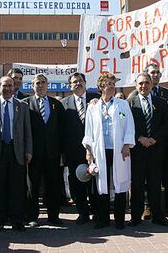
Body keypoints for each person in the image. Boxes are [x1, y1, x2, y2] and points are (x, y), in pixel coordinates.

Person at [83, 73, 135, 230]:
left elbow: (129, 125)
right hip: (100, 151)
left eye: (113, 83)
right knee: (102, 185)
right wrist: (89, 151)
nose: (111, 86)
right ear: (100, 87)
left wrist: (127, 144)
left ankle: (119, 220)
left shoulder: (123, 105)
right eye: (107, 83)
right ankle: (103, 219)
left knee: (120, 183)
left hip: (118, 150)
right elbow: (89, 131)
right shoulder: (92, 107)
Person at [0, 76, 33, 233]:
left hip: (16, 151)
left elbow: (27, 130)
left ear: (14, 87)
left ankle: (17, 220)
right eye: (5, 85)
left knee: (17, 187)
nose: (8, 88)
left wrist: (28, 150)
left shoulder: (22, 106)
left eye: (10, 86)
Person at [128, 63, 168, 219]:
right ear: (136, 85)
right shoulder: (129, 103)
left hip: (156, 150)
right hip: (138, 150)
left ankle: (158, 216)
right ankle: (135, 217)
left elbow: (166, 124)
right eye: (140, 83)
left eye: (147, 83)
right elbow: (127, 126)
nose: (144, 86)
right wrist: (140, 138)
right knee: (137, 185)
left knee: (155, 185)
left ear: (151, 84)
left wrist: (154, 139)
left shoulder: (160, 103)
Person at [23, 74, 65, 226]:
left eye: (43, 83)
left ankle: (54, 216)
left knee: (53, 185)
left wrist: (62, 152)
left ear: (48, 85)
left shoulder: (56, 104)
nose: (40, 85)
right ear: (32, 85)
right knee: (32, 186)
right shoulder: (25, 104)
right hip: (32, 153)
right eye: (37, 83)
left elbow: (62, 129)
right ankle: (32, 217)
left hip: (53, 153)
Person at [61, 73, 99, 224]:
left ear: (85, 83)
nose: (78, 84)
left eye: (80, 81)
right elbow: (61, 130)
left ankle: (97, 213)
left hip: (96, 150)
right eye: (74, 82)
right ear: (70, 85)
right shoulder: (63, 104)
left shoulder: (96, 99)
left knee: (95, 184)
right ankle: (83, 213)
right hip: (73, 152)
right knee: (77, 184)